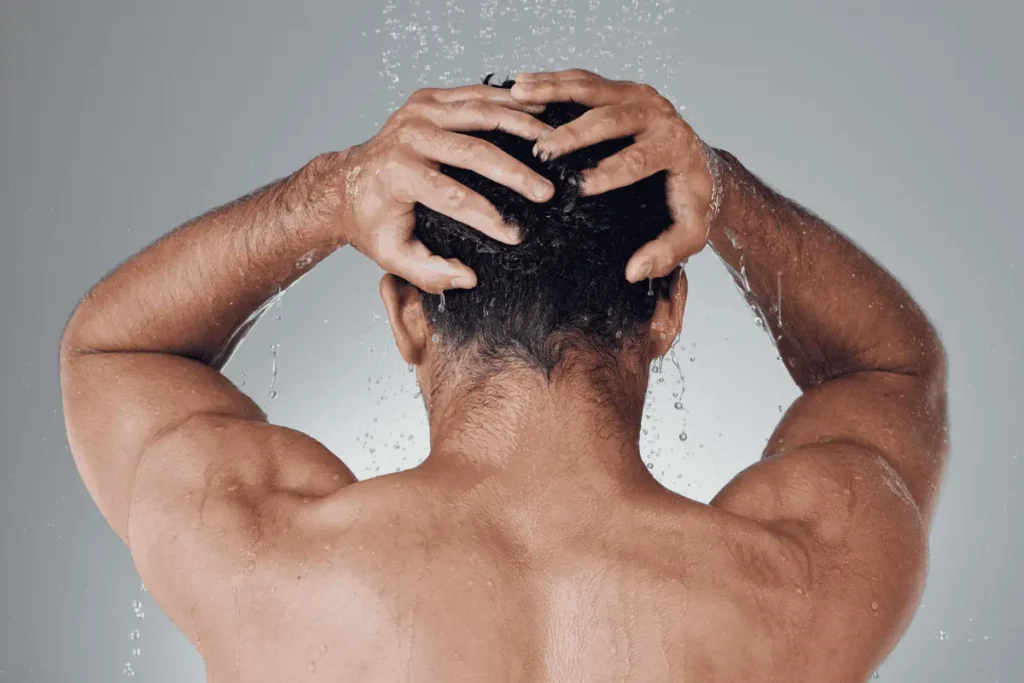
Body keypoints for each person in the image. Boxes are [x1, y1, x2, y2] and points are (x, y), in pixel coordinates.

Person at [59, 69, 948, 682]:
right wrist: (723, 188)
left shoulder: (268, 553)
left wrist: (331, 193)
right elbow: (891, 366)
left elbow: (116, 353)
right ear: (667, 310)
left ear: (410, 315)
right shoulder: (795, 573)